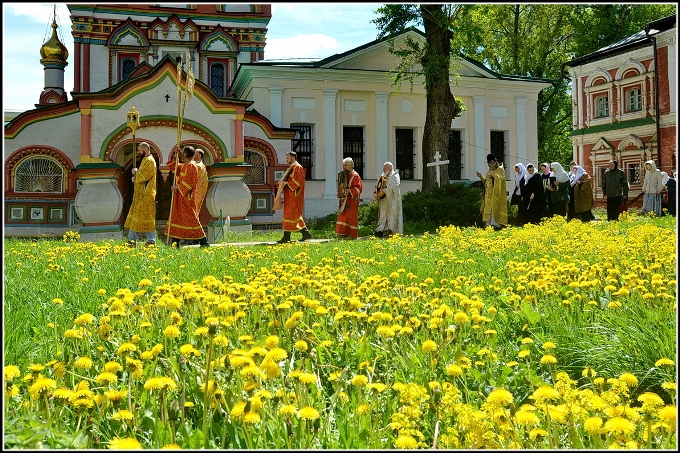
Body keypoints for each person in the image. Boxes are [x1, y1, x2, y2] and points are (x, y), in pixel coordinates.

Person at [165, 146, 210, 247]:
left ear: (185, 155)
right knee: (177, 218)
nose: (181, 156)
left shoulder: (192, 166)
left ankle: (204, 242)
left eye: (182, 154)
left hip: (186, 197)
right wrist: (175, 155)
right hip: (179, 197)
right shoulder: (185, 165)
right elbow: (174, 168)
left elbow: (190, 182)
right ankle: (175, 243)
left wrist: (177, 186)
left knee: (191, 219)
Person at [274, 151, 313, 243]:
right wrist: (281, 184)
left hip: (294, 195)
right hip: (289, 195)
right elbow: (287, 180)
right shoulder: (291, 167)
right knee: (290, 215)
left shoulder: (298, 167)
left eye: (288, 158)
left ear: (293, 157)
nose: (286, 160)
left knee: (292, 215)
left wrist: (284, 184)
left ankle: (289, 236)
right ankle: (304, 233)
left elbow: (297, 182)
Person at [124, 142, 157, 247]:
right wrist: (136, 175)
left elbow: (146, 175)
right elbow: (141, 175)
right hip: (140, 194)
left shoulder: (150, 161)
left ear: (146, 149)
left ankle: (151, 241)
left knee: (148, 216)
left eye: (139, 150)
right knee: (136, 215)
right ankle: (132, 240)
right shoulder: (144, 160)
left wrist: (136, 173)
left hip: (146, 193)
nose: (138, 153)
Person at [476, 153, 508, 230]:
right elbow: (486, 181)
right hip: (488, 194)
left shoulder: (500, 170)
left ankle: (496, 224)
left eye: (492, 163)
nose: (491, 165)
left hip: (496, 194)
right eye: (489, 164)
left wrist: (493, 175)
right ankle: (488, 224)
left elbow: (501, 180)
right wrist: (481, 176)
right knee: (488, 209)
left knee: (494, 208)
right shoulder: (489, 171)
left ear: (495, 162)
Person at [336, 157, 363, 239]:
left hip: (352, 200)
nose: (344, 167)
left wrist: (350, 191)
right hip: (344, 200)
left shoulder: (355, 175)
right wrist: (340, 191)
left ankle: (352, 235)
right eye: (344, 165)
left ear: (351, 165)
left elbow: (359, 188)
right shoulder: (344, 175)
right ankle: (342, 234)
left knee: (351, 217)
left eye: (346, 165)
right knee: (342, 216)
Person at [374, 161, 403, 238]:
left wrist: (385, 190)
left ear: (390, 169)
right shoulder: (382, 176)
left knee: (391, 214)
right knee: (383, 214)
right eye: (383, 168)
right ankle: (382, 230)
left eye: (385, 168)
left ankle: (391, 230)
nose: (383, 169)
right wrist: (377, 193)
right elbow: (378, 186)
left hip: (392, 199)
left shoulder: (395, 175)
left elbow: (395, 187)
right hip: (384, 200)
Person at [193, 148, 209, 215]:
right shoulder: (196, 165)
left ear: (199, 156)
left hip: (195, 192)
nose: (192, 155)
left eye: (194, 154)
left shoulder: (199, 166)